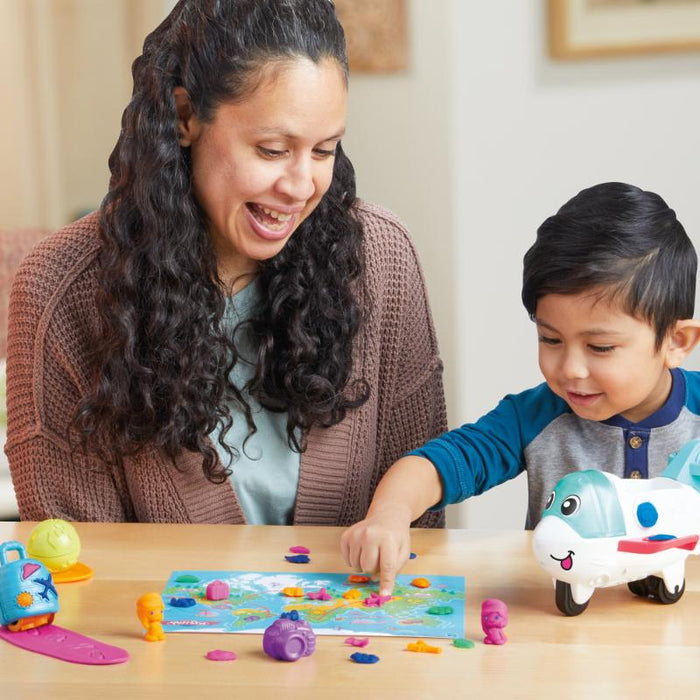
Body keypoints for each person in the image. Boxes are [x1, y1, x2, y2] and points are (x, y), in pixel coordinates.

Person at [5, 0, 446, 527]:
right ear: (186, 117)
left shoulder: (381, 259)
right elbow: (78, 569)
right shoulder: (62, 291)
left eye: (325, 150)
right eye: (272, 149)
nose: (302, 187)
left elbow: (422, 528)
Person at [341, 182, 700, 594]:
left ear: (676, 343)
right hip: (557, 638)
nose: (570, 369)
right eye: (550, 339)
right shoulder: (536, 417)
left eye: (600, 347)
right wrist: (390, 513)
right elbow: (438, 463)